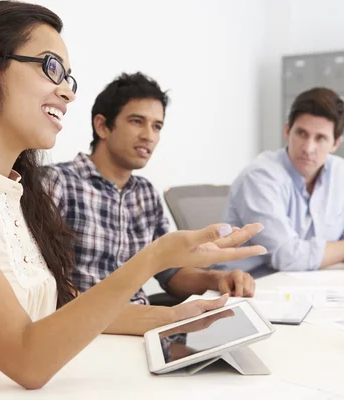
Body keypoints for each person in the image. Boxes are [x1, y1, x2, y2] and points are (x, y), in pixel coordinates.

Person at [0, 2, 266, 398]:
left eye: (69, 77)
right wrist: (154, 256)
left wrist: (172, 317)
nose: (67, 92)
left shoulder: (15, 194)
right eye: (51, 67)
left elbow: (58, 312)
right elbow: (27, 358)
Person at [44, 72, 256, 305]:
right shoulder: (58, 182)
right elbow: (44, 284)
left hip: (144, 326)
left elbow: (170, 273)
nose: (149, 136)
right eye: (137, 121)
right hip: (86, 331)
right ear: (103, 126)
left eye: (157, 127)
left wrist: (218, 279)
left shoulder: (145, 193)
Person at [216, 87, 344, 278]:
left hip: (307, 283)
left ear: (336, 143)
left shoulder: (343, 174)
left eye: (320, 138)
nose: (308, 148)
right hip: (248, 286)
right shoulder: (260, 177)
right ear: (287, 131)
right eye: (301, 134)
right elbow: (286, 257)